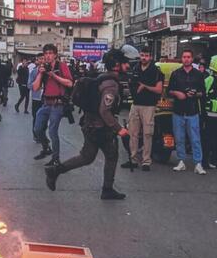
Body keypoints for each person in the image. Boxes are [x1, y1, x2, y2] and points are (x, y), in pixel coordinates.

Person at [45, 47, 134, 200]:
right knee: (112, 155)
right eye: (126, 63)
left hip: (90, 125)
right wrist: (119, 129)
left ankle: (55, 171)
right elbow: (104, 110)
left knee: (87, 157)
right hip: (101, 128)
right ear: (117, 65)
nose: (128, 66)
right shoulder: (111, 84)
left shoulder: (102, 78)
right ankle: (107, 189)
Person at [32, 44, 74, 164]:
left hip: (58, 104)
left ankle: (56, 159)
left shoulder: (62, 66)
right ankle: (46, 148)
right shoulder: (43, 68)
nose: (48, 55)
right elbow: (35, 88)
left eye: (50, 53)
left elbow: (70, 83)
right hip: (46, 104)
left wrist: (53, 75)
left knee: (52, 131)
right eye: (46, 53)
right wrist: (41, 73)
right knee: (38, 128)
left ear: (55, 55)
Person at [168, 48, 206, 174]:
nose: (186, 59)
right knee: (179, 138)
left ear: (192, 58)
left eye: (188, 57)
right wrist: (177, 93)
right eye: (184, 57)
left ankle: (198, 163)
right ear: (181, 59)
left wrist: (194, 94)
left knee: (195, 139)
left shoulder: (199, 74)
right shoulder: (175, 74)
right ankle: (181, 161)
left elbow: (203, 93)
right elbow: (169, 91)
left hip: (193, 112)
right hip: (178, 112)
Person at [124, 45, 161, 171]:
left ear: (150, 57)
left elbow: (159, 89)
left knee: (147, 134)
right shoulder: (135, 69)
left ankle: (146, 161)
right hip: (135, 105)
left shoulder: (156, 71)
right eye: (142, 55)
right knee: (133, 133)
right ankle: (133, 159)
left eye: (146, 56)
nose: (144, 58)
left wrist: (145, 86)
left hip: (149, 106)